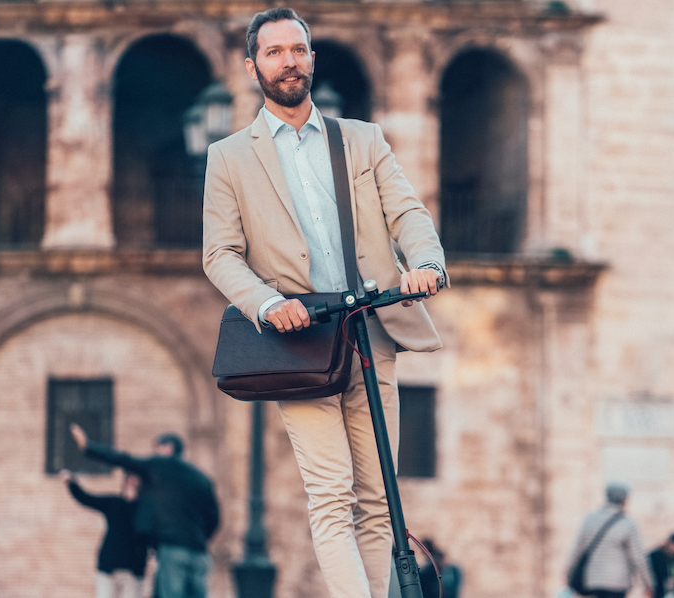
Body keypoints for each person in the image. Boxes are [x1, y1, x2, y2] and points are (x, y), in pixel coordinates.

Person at [201, 7, 446, 598]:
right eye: (274, 52)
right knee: (331, 494)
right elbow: (220, 253)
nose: (289, 61)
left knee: (378, 500)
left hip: (373, 328)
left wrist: (427, 263)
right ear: (252, 66)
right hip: (301, 341)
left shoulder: (361, 139)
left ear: (312, 57)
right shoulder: (230, 157)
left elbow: (405, 212)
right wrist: (265, 304)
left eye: (298, 49)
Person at [70, 424, 220, 598]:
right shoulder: (200, 478)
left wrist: (88, 447)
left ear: (167, 448)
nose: (153, 454)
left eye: (156, 449)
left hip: (173, 550)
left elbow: (124, 459)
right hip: (200, 554)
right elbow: (214, 518)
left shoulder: (160, 465)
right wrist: (200, 538)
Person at [59, 469, 149, 598]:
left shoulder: (147, 509)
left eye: (134, 480)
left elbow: (153, 537)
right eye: (128, 479)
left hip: (133, 573)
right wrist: (72, 482)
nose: (130, 482)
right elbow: (87, 498)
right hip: (108, 570)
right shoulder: (114, 503)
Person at [567, 483, 652, 598]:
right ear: (624, 499)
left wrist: (568, 572)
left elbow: (577, 550)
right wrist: (649, 583)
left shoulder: (589, 520)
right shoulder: (627, 523)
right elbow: (638, 557)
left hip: (593, 580)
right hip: (618, 581)